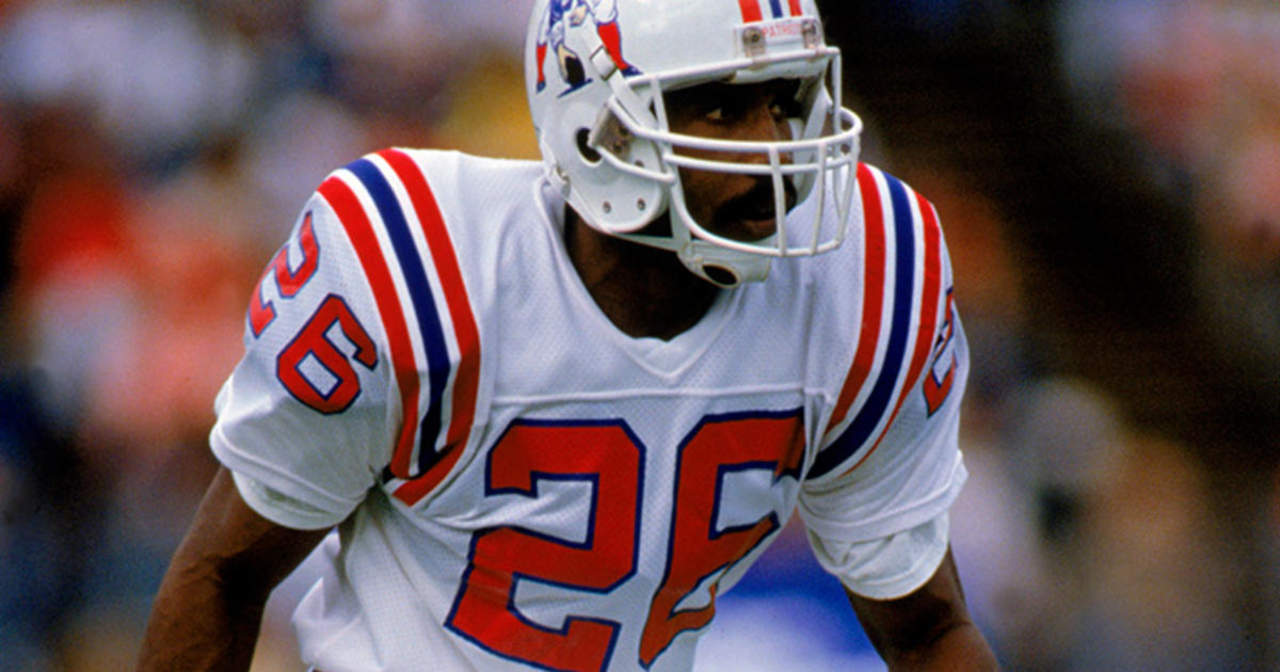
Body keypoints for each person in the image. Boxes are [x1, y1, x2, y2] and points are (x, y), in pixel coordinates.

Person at [138, 1, 998, 670]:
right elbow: (224, 573)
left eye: (783, 101)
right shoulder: (419, 269)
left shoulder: (863, 277)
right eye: (720, 109)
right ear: (598, 126)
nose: (772, 149)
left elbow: (927, 629)